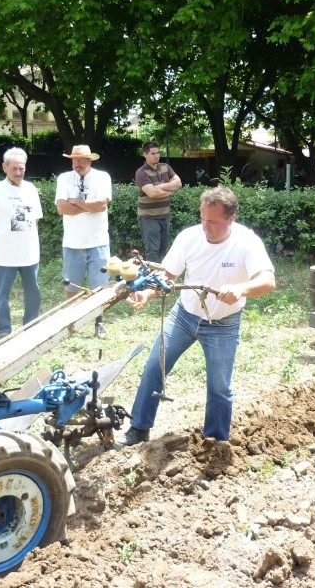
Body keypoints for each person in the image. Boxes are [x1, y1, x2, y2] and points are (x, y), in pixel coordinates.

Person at [121, 186, 276, 446]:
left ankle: (214, 441)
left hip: (223, 325)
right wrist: (147, 294)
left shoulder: (246, 243)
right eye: (203, 219)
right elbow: (167, 276)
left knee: (219, 387)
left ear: (231, 218)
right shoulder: (189, 238)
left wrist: (241, 289)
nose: (206, 226)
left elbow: (268, 281)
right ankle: (139, 428)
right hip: (184, 316)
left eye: (213, 222)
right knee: (154, 367)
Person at [0, 147, 43, 338]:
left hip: (29, 254)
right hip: (4, 255)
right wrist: (0, 240)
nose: (18, 172)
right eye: (14, 168)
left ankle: (31, 326)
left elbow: (35, 220)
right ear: (4, 167)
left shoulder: (31, 189)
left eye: (21, 168)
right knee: (2, 294)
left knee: (33, 293)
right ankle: (3, 329)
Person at [55, 144, 112, 338]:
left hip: (98, 242)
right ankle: (71, 323)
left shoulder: (102, 177)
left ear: (89, 160)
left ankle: (99, 322)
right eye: (74, 159)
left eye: (80, 160)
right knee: (71, 286)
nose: (77, 163)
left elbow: (102, 205)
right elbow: (62, 208)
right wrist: (89, 206)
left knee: (100, 286)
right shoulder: (64, 178)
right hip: (72, 243)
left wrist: (76, 202)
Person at [135, 141, 182, 263]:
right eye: (153, 153)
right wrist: (169, 189)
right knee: (153, 251)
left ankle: (161, 275)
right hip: (149, 217)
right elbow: (152, 193)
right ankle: (153, 278)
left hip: (164, 216)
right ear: (145, 155)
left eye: (158, 152)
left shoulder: (165, 167)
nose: (156, 156)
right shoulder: (141, 173)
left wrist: (160, 186)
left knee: (163, 249)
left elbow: (178, 183)